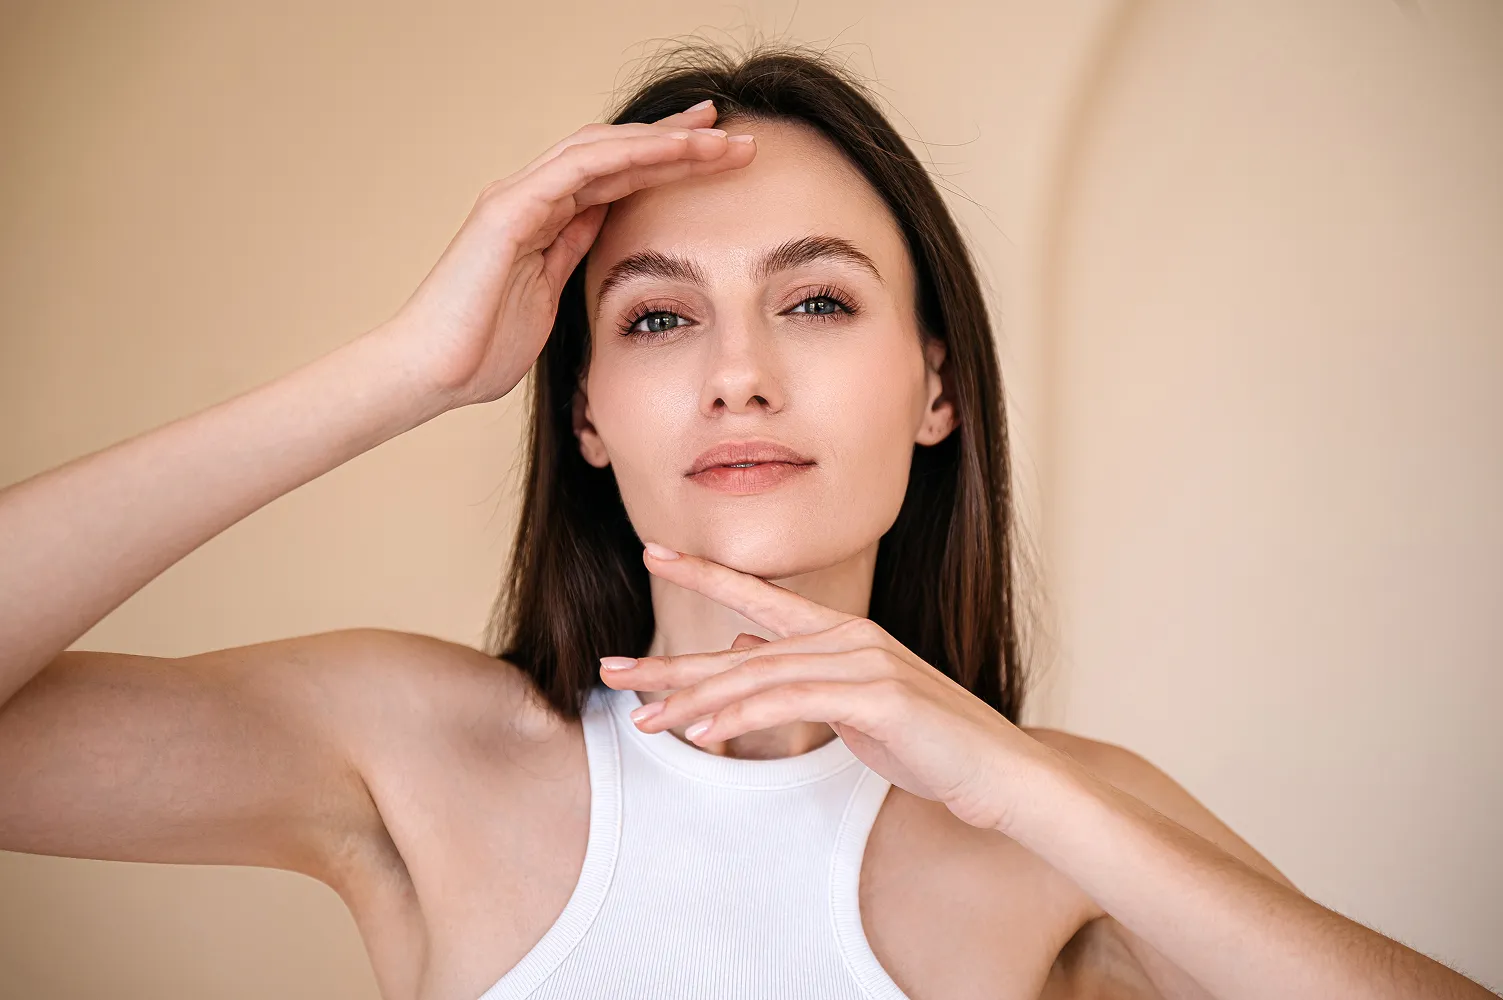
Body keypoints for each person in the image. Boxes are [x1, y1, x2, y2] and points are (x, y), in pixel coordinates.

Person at [0, 42, 1491, 1000]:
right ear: (582, 412)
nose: (736, 375)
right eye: (655, 321)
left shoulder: (1063, 826)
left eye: (817, 300)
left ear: (935, 387)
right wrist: (407, 370)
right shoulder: (407, 754)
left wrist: (1014, 783)